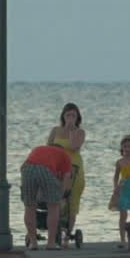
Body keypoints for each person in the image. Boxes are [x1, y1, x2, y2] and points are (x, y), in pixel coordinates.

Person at [21, 143, 73, 250]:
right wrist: (60, 195)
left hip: (27, 168)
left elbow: (25, 166)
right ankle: (51, 243)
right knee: (53, 207)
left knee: (29, 206)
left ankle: (33, 243)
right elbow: (67, 177)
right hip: (45, 169)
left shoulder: (38, 148)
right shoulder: (65, 155)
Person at [47, 102, 86, 245]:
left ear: (77, 117)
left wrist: (70, 130)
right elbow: (48, 147)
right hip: (57, 168)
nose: (70, 117)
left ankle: (67, 235)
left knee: (71, 202)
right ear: (63, 116)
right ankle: (52, 228)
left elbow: (75, 147)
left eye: (73, 115)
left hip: (74, 168)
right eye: (68, 114)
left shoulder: (79, 132)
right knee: (57, 199)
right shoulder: (55, 130)